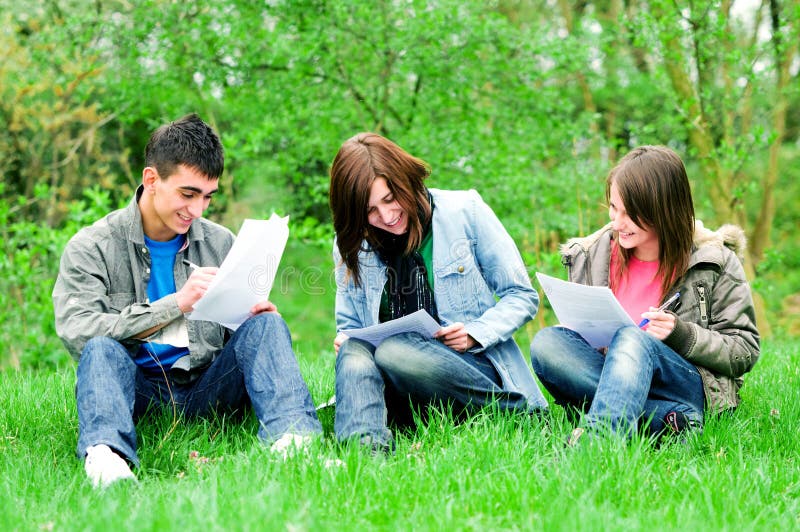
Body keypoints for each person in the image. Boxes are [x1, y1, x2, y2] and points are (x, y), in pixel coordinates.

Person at [53, 114, 322, 488]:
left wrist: (251, 319)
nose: (197, 210)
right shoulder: (92, 247)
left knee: (268, 324)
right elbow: (78, 332)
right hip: (139, 391)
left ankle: (295, 442)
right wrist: (176, 304)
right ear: (151, 180)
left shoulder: (221, 242)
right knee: (99, 349)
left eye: (207, 197)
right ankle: (107, 458)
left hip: (208, 388)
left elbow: (239, 337)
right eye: (188, 194)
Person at [328, 132, 548, 452]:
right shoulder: (350, 245)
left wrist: (475, 332)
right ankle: (366, 454)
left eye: (390, 199)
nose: (387, 217)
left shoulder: (465, 211)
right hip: (402, 390)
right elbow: (348, 326)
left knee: (393, 349)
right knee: (354, 351)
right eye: (370, 211)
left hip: (469, 373)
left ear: (406, 181)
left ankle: (513, 414)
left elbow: (522, 295)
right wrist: (346, 339)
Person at [530, 145, 760, 444]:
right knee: (548, 342)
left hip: (681, 382)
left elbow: (745, 349)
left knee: (632, 336)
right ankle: (670, 421)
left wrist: (681, 334)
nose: (617, 222)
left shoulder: (713, 261)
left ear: (664, 210)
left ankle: (596, 444)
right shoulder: (593, 254)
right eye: (613, 208)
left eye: (631, 214)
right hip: (612, 372)